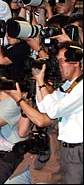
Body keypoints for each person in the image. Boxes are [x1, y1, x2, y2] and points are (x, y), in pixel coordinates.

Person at [32, 41, 83, 184]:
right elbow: (44, 107)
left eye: (62, 61)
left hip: (78, 149)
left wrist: (42, 83)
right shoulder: (68, 85)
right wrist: (38, 80)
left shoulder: (81, 87)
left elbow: (55, 111)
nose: (59, 65)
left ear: (75, 62)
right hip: (67, 148)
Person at [0, 17, 32, 82]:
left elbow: (0, 62)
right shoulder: (9, 47)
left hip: (15, 83)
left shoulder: (22, 48)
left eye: (11, 32)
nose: (8, 36)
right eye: (7, 32)